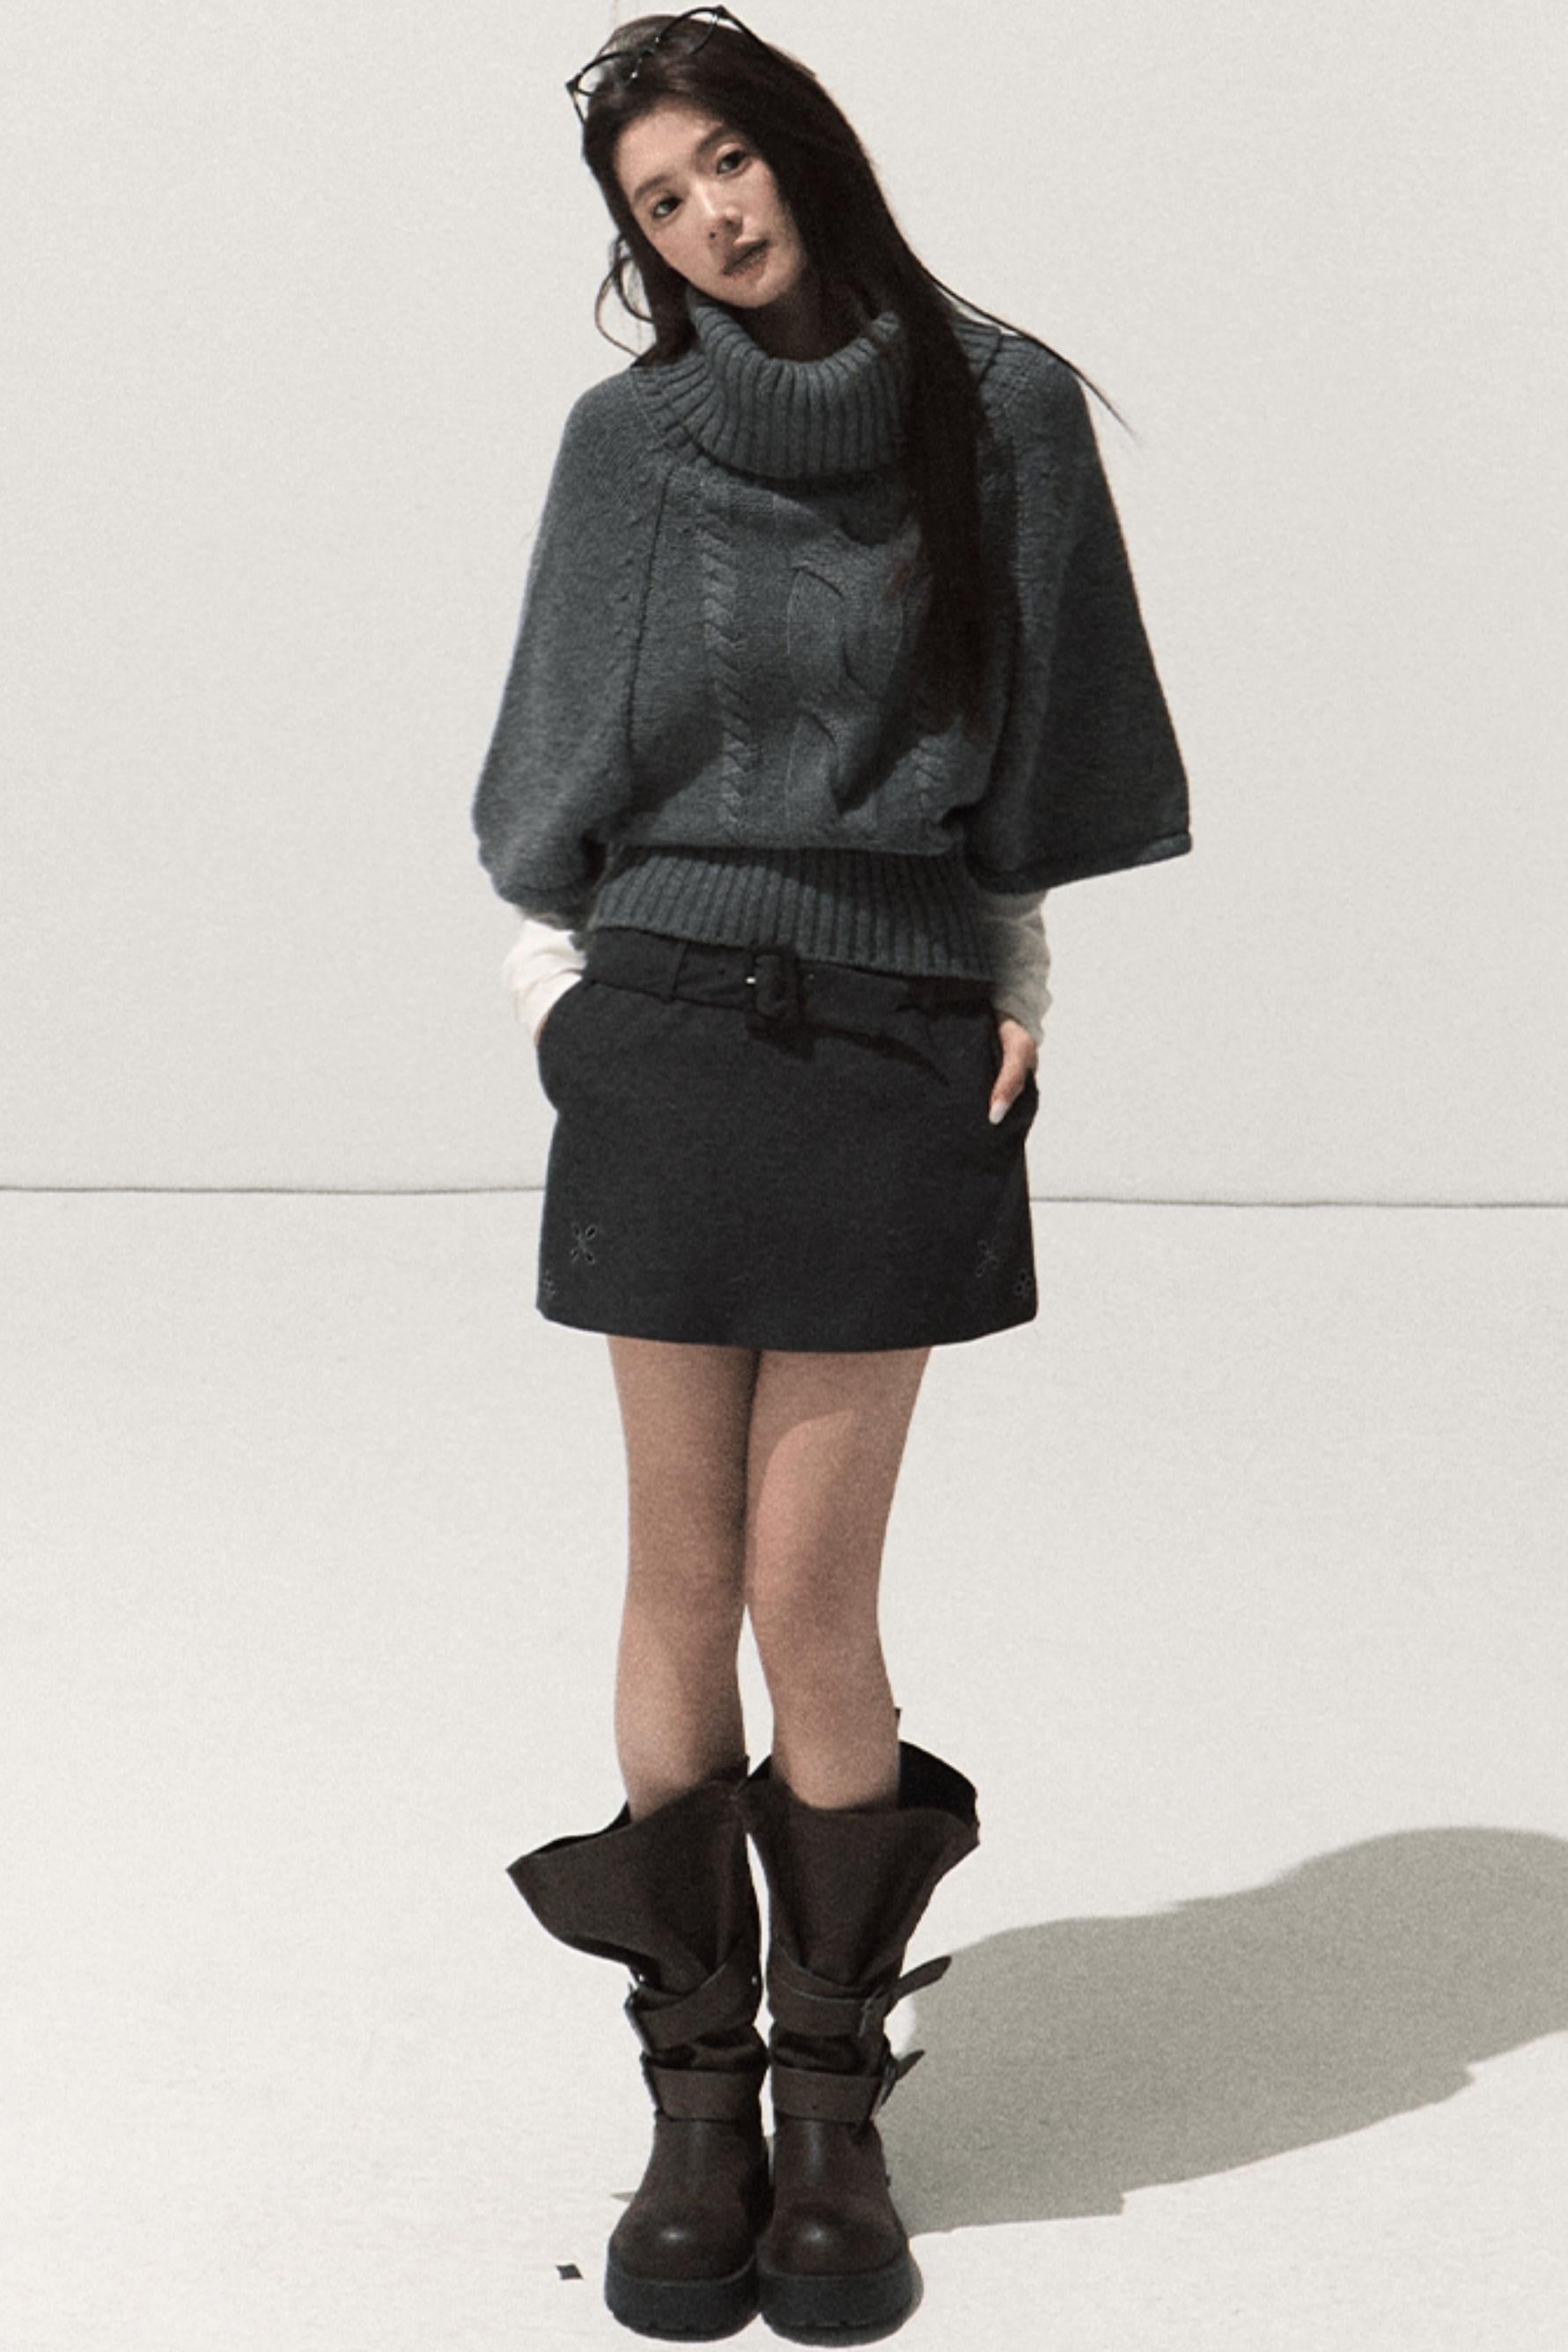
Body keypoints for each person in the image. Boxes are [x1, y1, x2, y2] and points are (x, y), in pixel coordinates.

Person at [469, 10, 1191, 2337]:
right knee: (679, 1571)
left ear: (804, 149)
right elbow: (544, 772)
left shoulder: (1003, 410)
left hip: (897, 1032)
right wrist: (559, 1003)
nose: (708, 218)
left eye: (726, 164)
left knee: (815, 1589)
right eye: (658, 202)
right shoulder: (628, 444)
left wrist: (1021, 983)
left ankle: (830, 2104)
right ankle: (695, 2109)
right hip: (668, 1023)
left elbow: (1035, 739)